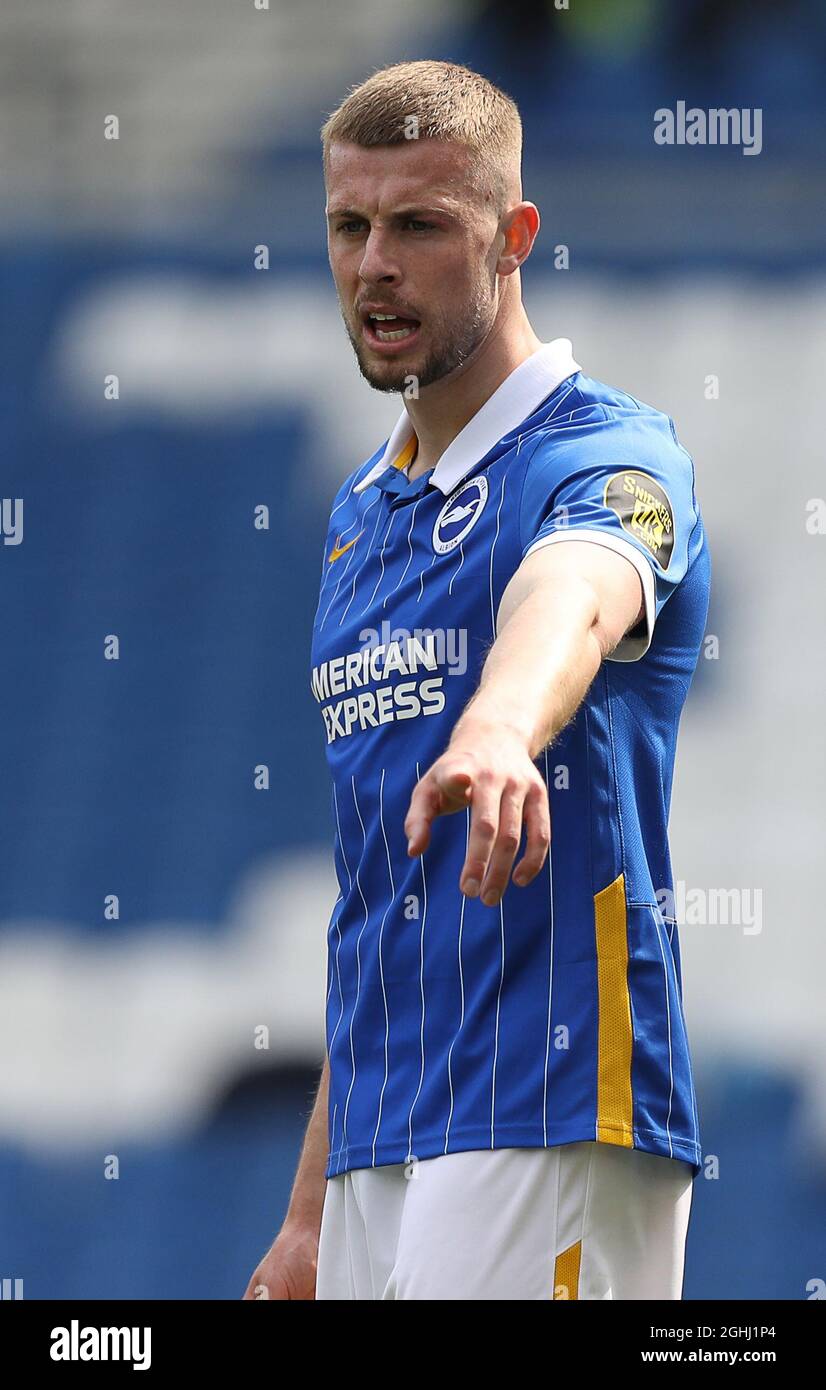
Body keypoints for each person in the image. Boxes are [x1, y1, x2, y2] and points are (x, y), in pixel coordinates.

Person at [243, 58, 709, 1302]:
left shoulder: (607, 453)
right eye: (348, 226)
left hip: (550, 1099)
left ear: (513, 238)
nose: (372, 264)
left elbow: (575, 588)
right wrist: (308, 1213)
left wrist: (500, 726)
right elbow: (380, 897)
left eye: (418, 227)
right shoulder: (361, 516)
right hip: (383, 1140)